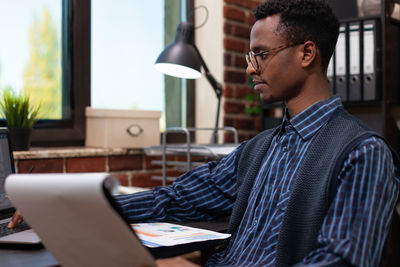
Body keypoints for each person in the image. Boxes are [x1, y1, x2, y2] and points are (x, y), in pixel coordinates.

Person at [9, 0, 400, 266]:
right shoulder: (262, 149)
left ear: (307, 54)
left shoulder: (362, 154)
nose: (250, 69)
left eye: (260, 55)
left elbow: (340, 261)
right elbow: (175, 199)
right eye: (250, 57)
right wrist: (71, 209)